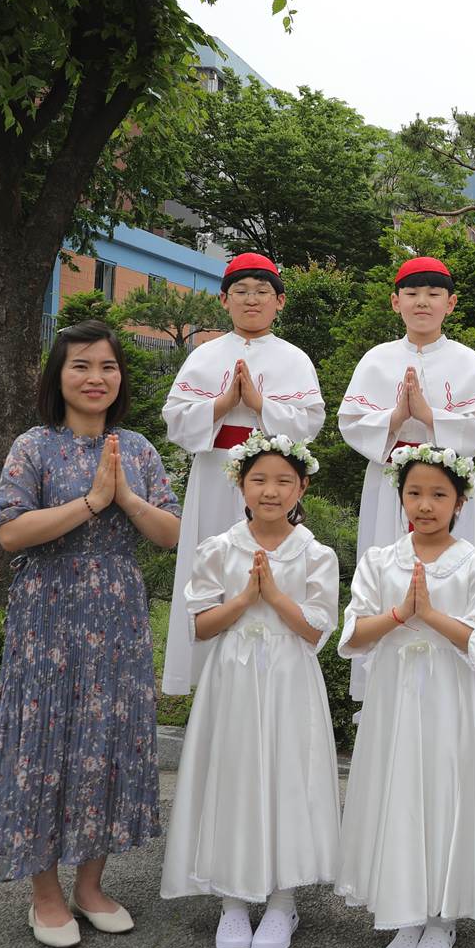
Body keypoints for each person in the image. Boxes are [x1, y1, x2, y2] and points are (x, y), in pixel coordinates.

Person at [0, 319, 182, 948]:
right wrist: (91, 502)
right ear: (58, 377)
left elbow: (172, 535)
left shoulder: (138, 449)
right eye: (81, 366)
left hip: (118, 610)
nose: (96, 378)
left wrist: (126, 499)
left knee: (109, 740)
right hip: (48, 609)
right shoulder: (33, 447)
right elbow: (10, 532)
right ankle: (45, 894)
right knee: (44, 741)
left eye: (107, 367)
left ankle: (91, 887)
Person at [160, 434, 341, 948]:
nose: (270, 491)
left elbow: (315, 629)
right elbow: (200, 626)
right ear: (240, 485)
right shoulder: (219, 549)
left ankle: (283, 902)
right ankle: (232, 901)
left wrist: (275, 596)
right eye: (259, 479)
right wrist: (244, 598)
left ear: (302, 488)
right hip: (234, 677)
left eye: (284, 481)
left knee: (289, 775)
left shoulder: (316, 554)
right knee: (233, 775)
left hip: (290, 676)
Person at [334, 445, 475, 948]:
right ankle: (404, 910)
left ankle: (441, 916)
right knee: (398, 788)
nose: (425, 505)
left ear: (460, 501)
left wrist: (429, 614)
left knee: (443, 788)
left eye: (439, 494)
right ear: (400, 498)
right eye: (414, 493)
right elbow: (353, 636)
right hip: (394, 697)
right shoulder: (379, 561)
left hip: (447, 698)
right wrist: (400, 614)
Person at [161, 252, 325, 695]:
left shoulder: (295, 358)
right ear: (224, 299)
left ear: (279, 301)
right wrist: (222, 404)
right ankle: (205, 677)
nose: (252, 300)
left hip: (272, 480)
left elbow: (310, 422)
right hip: (216, 473)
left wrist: (258, 404)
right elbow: (176, 421)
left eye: (262, 292)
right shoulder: (205, 355)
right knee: (212, 561)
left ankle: (273, 668)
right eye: (241, 292)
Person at [339, 255, 475, 555]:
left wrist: (430, 416)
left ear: (450, 303)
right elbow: (351, 423)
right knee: (388, 559)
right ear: (396, 302)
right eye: (412, 293)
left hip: (449, 479)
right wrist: (396, 417)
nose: (422, 302)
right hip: (390, 479)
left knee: (451, 565)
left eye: (433, 294)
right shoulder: (376, 359)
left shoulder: (469, 362)